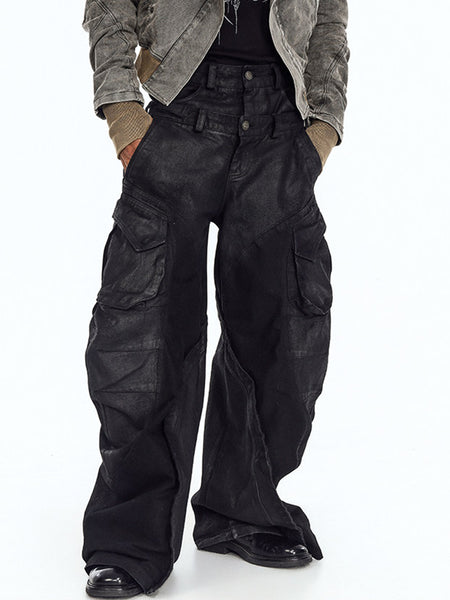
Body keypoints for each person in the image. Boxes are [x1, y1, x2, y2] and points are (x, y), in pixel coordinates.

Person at [80, 0, 350, 597]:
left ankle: (242, 512)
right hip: (178, 114)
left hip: (283, 126)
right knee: (142, 341)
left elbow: (330, 13)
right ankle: (130, 541)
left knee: (287, 339)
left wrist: (324, 123)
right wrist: (123, 111)